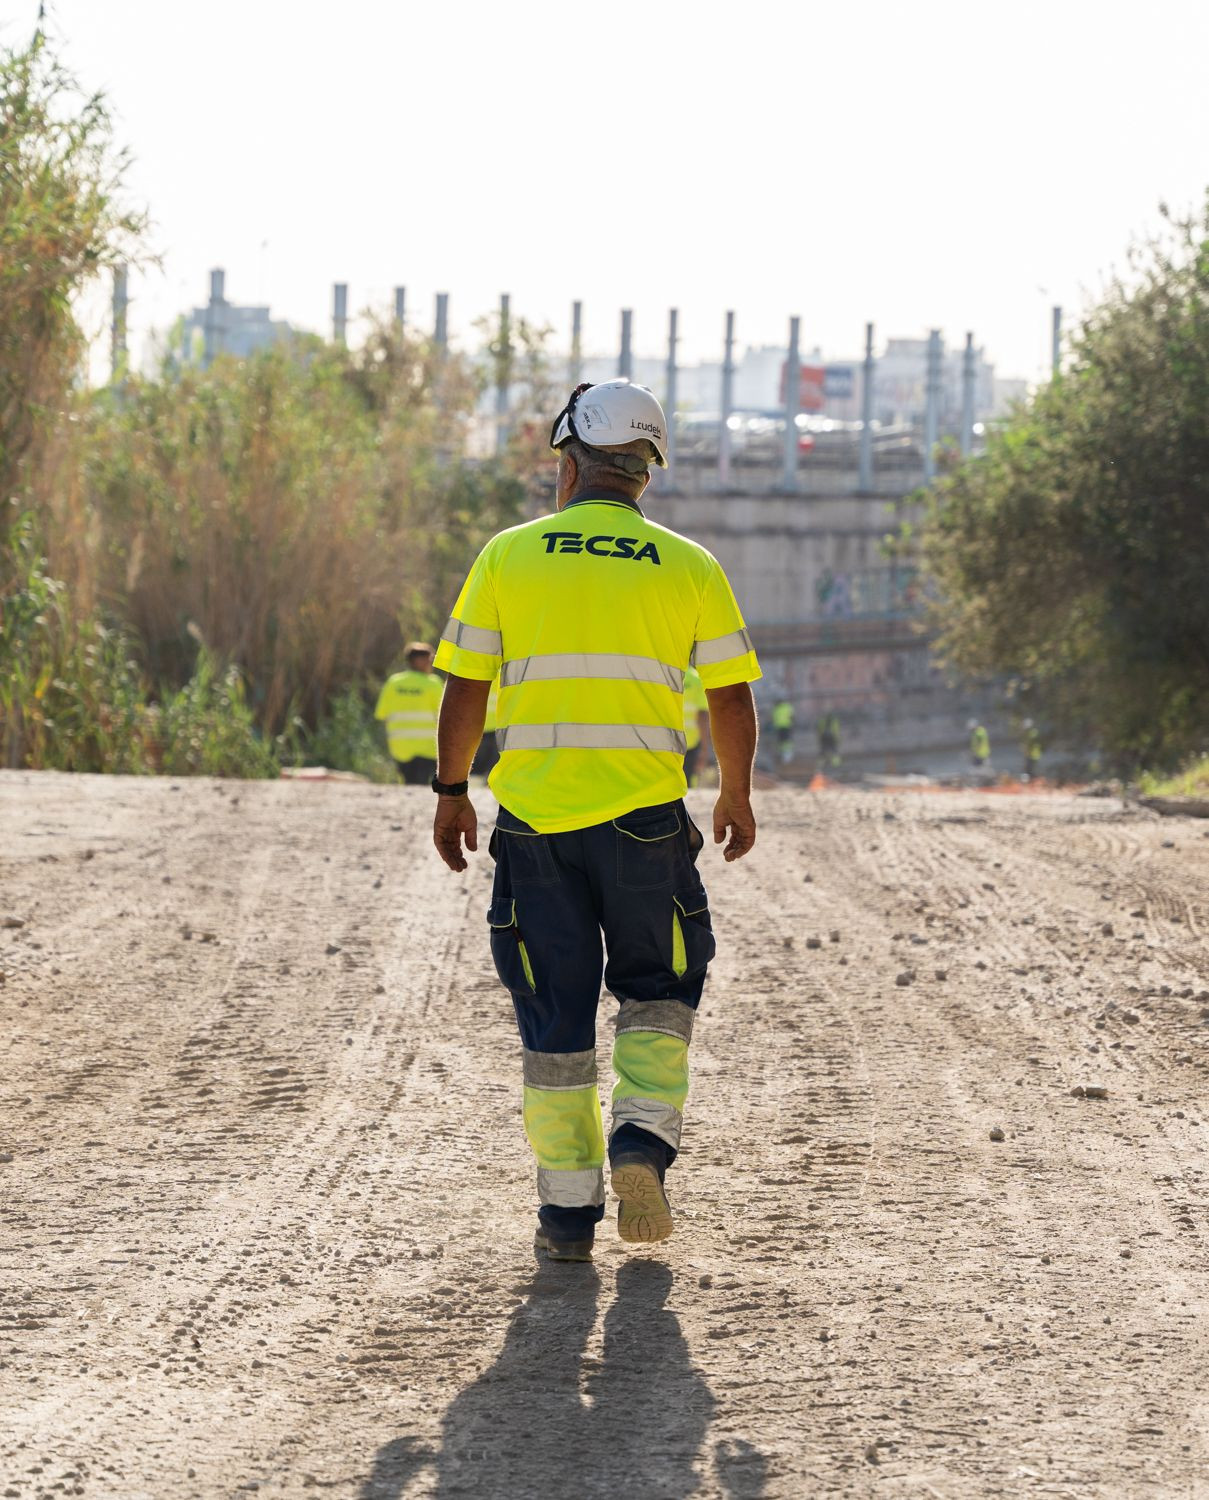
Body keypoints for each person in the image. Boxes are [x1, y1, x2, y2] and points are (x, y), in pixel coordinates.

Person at [431, 378, 761, 1264]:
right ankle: (641, 1145)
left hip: (535, 828)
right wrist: (734, 793)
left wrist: (451, 789)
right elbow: (728, 696)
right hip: (646, 825)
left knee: (554, 1017)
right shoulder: (690, 566)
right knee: (659, 987)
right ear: (646, 471)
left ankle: (567, 1216)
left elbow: (466, 686)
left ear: (569, 460)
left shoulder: (509, 555)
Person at [374, 642, 443, 785]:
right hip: (427, 748)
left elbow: (381, 714)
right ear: (420, 661)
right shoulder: (433, 684)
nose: (431, 664)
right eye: (430, 660)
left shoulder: (394, 682)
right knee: (421, 788)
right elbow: (445, 716)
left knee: (407, 786)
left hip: (400, 748)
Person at [681, 665, 711, 787]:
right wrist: (704, 749)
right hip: (690, 742)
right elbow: (702, 715)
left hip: (667, 740)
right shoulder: (696, 678)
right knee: (687, 785)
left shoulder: (665, 673)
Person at [471, 680, 501, 780]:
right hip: (494, 729)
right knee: (486, 767)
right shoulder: (504, 674)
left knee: (481, 767)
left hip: (482, 729)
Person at [771, 697, 794, 766]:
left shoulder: (780, 708)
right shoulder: (783, 707)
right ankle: (784, 755)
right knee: (782, 741)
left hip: (785, 726)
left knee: (785, 741)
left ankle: (787, 755)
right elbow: (792, 716)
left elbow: (792, 716)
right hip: (782, 727)